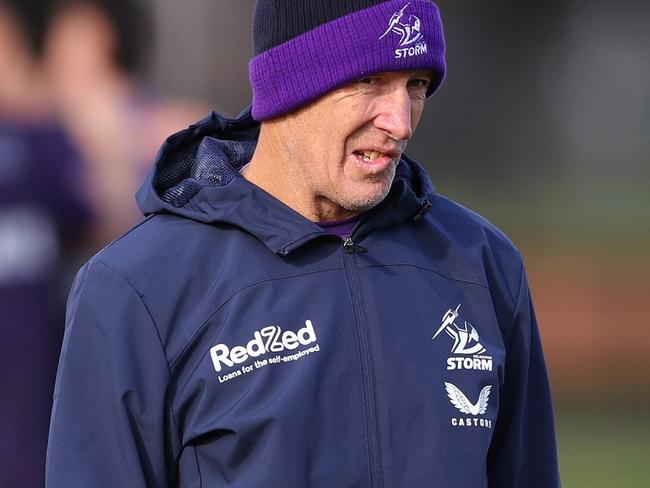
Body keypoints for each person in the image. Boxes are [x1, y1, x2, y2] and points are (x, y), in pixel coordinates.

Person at [46, 1, 561, 486]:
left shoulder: (481, 263)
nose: (399, 121)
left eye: (417, 84)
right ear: (289, 84)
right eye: (369, 80)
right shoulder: (135, 288)